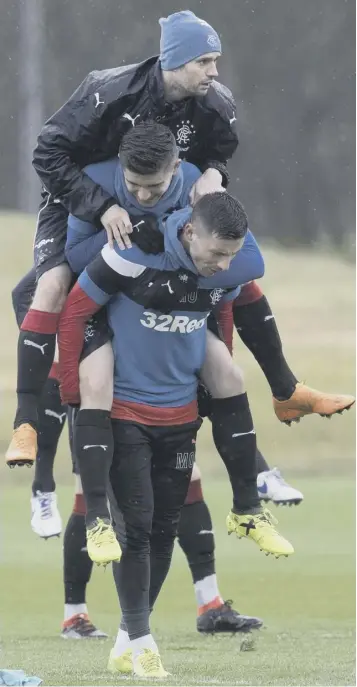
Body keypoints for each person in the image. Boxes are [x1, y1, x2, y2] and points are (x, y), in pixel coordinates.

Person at [7, 10, 352, 469]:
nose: (214, 71)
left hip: (162, 201)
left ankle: (286, 390)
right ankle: (25, 422)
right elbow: (47, 151)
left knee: (229, 268)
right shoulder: (107, 92)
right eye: (205, 61)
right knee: (50, 285)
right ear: (174, 62)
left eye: (216, 59)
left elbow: (220, 154)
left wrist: (212, 173)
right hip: (80, 200)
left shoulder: (217, 104)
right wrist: (102, 206)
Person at [59, 192, 293, 677]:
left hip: (180, 416)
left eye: (231, 256)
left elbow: (223, 312)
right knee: (138, 532)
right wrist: (74, 393)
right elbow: (76, 309)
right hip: (124, 416)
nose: (222, 265)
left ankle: (128, 637)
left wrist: (213, 379)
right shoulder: (132, 257)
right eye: (215, 254)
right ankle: (143, 642)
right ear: (189, 232)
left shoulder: (228, 266)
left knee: (164, 533)